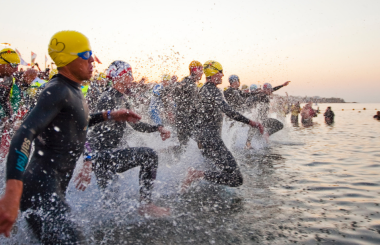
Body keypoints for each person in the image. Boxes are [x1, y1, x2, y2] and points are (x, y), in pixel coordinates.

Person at [0, 30, 141, 244]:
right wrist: (13, 190)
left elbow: (75, 124)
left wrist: (109, 115)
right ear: (68, 59)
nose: (93, 59)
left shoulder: (72, 89)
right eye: (86, 54)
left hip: (52, 186)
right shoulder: (56, 90)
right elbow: (25, 132)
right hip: (41, 186)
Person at [76, 60, 171, 217]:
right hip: (102, 156)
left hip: (110, 154)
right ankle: (146, 205)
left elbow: (135, 125)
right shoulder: (107, 99)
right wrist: (88, 159)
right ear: (119, 76)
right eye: (129, 74)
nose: (132, 78)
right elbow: (86, 130)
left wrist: (157, 128)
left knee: (111, 208)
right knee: (149, 155)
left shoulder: (123, 98)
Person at [181, 60, 263, 191]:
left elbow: (192, 116)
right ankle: (195, 174)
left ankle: (191, 191)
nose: (223, 75)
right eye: (220, 72)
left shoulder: (202, 90)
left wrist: (199, 138)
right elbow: (228, 111)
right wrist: (251, 122)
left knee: (216, 171)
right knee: (236, 178)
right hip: (212, 140)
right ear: (213, 73)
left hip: (204, 140)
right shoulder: (214, 90)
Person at [245, 81, 290, 148]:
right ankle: (249, 142)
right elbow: (250, 100)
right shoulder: (261, 94)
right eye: (269, 90)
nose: (271, 91)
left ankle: (264, 137)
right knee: (255, 128)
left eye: (271, 90)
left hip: (263, 119)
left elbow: (274, 89)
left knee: (279, 125)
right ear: (266, 89)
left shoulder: (265, 94)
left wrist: (282, 85)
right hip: (260, 119)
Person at [172, 61, 203, 148]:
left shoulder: (188, 82)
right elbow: (196, 104)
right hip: (186, 121)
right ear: (194, 71)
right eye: (200, 70)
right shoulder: (188, 83)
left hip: (186, 120)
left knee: (187, 148)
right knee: (190, 146)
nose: (202, 73)